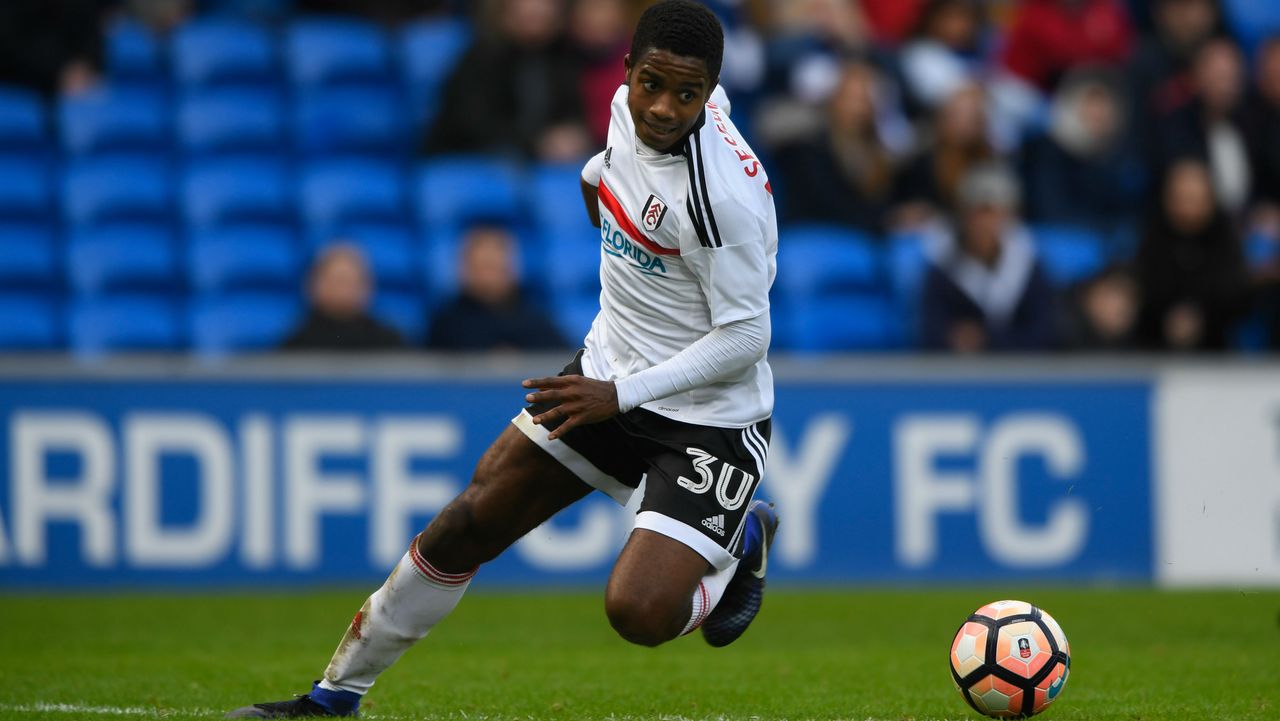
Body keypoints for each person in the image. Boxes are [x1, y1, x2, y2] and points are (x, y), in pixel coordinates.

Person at [230, 2, 780, 716]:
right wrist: (597, 189)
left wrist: (622, 395)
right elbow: (612, 166)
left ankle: (739, 541)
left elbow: (747, 340)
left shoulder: (722, 203)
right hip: (608, 373)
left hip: (707, 416)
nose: (664, 108)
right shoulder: (625, 110)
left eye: (687, 95)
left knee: (638, 612)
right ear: (625, 73)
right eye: (652, 84)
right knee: (467, 521)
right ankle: (332, 697)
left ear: (710, 94)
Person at [424, 0, 592, 162]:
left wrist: (572, 135)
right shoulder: (480, 57)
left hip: (539, 164)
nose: (538, 8)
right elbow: (472, 126)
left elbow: (573, 113)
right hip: (472, 161)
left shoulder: (563, 57)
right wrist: (537, 143)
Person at [919, 162, 1059, 352]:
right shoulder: (942, 266)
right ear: (964, 215)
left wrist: (987, 340)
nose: (986, 223)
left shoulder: (1027, 265)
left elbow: (1043, 333)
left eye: (996, 213)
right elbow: (930, 331)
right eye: (979, 213)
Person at [770, 58, 902, 234]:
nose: (856, 108)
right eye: (850, 98)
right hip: (814, 233)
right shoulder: (811, 146)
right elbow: (827, 205)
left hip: (865, 236)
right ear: (834, 98)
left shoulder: (880, 154)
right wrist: (885, 222)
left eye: (863, 100)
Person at [1134, 158, 1251, 350]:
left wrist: (1201, 317)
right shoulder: (1153, 234)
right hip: (1155, 343)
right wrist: (1169, 317)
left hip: (1217, 346)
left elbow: (1236, 294)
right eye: (1181, 199)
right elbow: (1144, 289)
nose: (1187, 209)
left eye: (1195, 200)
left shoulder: (1224, 236)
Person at [424, 224, 568, 351]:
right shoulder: (447, 325)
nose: (488, 278)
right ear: (464, 269)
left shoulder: (536, 322)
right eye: (481, 267)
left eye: (494, 268)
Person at [281, 244, 406, 352]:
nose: (343, 289)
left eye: (350, 281)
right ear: (313, 285)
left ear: (368, 286)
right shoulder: (294, 349)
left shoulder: (391, 345)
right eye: (336, 280)